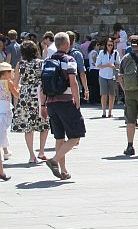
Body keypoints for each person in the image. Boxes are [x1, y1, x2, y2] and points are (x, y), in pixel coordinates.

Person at [40, 32, 85, 181]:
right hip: (66, 102)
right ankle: (53, 161)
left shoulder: (47, 61)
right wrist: (77, 100)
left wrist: (42, 104)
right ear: (67, 44)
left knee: (59, 137)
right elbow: (73, 81)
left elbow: (42, 85)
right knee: (75, 136)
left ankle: (63, 170)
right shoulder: (69, 59)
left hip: (51, 103)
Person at [11, 41, 50, 163]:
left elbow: (15, 84)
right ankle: (42, 151)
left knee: (28, 126)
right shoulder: (41, 63)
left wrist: (19, 96)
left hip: (25, 94)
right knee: (44, 123)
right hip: (39, 93)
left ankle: (31, 155)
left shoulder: (20, 64)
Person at [95, 38, 119, 118]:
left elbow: (118, 65)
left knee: (112, 94)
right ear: (106, 45)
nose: (110, 47)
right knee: (104, 94)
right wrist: (107, 65)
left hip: (112, 76)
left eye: (111, 45)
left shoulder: (116, 53)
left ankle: (110, 111)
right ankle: (104, 111)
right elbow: (97, 65)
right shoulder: (102, 53)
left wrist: (114, 67)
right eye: (108, 45)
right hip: (103, 75)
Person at [0, 62, 18, 165]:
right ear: (4, 73)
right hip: (5, 109)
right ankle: (4, 152)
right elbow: (16, 94)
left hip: (2, 108)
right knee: (2, 131)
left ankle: (6, 150)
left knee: (1, 131)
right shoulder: (8, 82)